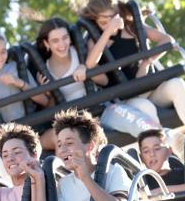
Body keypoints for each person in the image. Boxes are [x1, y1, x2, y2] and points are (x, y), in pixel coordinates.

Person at [80, 0, 185, 138]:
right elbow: (90, 64)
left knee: (177, 85)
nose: (110, 24)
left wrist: (148, 60)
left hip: (150, 88)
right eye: (103, 22)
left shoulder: (131, 28)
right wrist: (108, 31)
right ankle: (164, 146)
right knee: (145, 107)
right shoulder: (96, 41)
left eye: (113, 19)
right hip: (128, 99)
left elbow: (167, 40)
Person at [34, 17, 160, 148]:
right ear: (46, 43)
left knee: (133, 120)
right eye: (55, 40)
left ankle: (164, 140)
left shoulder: (80, 53)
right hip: (76, 123)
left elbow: (104, 81)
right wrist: (48, 91)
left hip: (102, 109)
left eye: (65, 38)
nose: (62, 44)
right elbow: (53, 108)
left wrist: (88, 70)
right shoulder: (45, 70)